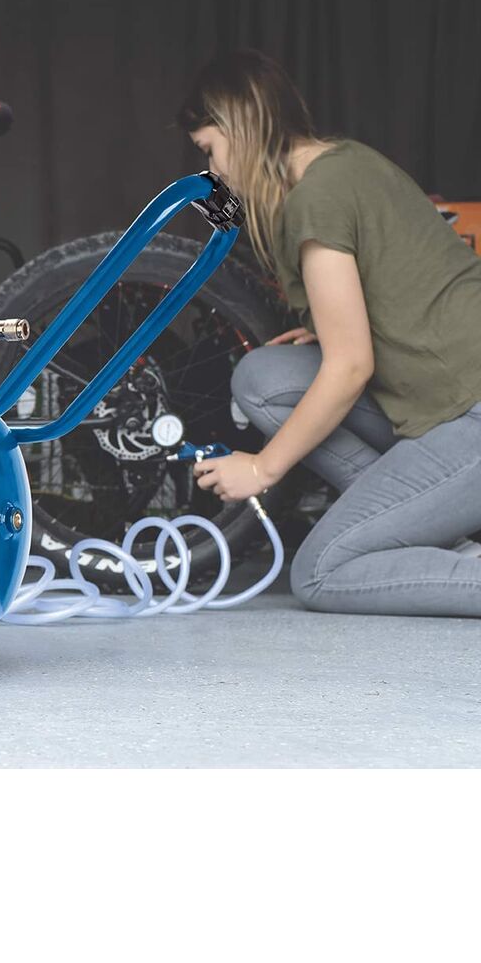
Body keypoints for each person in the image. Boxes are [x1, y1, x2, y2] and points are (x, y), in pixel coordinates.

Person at [177, 48, 481, 617]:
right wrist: (330, 328)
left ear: (240, 128)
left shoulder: (316, 198)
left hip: (471, 418)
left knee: (320, 572)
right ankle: (426, 530)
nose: (213, 172)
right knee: (264, 377)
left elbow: (351, 367)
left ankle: (415, 539)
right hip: (442, 405)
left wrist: (262, 467)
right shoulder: (344, 162)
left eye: (209, 150)